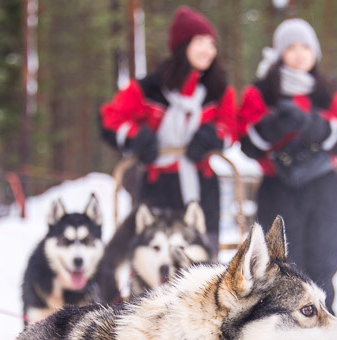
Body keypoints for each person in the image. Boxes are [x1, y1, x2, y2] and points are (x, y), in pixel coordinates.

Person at [239, 18, 337, 312]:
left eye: (305, 46)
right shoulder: (261, 93)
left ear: (314, 51)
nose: (299, 53)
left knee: (323, 267)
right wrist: (274, 126)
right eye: (290, 47)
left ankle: (326, 336)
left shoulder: (331, 91)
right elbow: (248, 144)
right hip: (278, 189)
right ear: (279, 53)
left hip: (323, 189)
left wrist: (314, 125)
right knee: (281, 269)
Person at [100, 6, 236, 251]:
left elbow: (232, 127)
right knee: (155, 261)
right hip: (156, 184)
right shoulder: (149, 88)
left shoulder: (218, 90)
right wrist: (138, 138)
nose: (208, 50)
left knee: (203, 261)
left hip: (201, 186)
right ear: (182, 45)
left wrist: (212, 137)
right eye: (200, 42)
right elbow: (111, 119)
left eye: (211, 43)